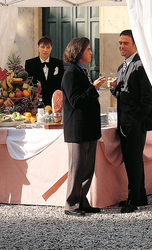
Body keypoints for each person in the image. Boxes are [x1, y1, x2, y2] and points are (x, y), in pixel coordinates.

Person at [109, 29, 152, 213]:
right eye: (120, 43)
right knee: (133, 159)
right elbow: (124, 95)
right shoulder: (122, 67)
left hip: (135, 123)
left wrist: (135, 120)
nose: (122, 46)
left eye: (126, 43)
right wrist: (114, 89)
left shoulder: (141, 65)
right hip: (124, 122)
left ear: (135, 45)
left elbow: (148, 98)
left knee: (133, 160)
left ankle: (132, 199)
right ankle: (140, 195)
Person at [61, 37, 106, 216]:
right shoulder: (71, 73)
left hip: (88, 129)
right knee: (77, 167)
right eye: (88, 49)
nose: (91, 52)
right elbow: (75, 101)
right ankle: (70, 204)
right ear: (79, 52)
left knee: (88, 169)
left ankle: (82, 200)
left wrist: (93, 88)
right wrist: (93, 88)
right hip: (78, 130)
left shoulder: (83, 72)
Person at [25, 36, 64, 107]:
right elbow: (28, 85)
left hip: (54, 102)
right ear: (38, 47)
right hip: (36, 103)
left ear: (51, 48)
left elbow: (61, 84)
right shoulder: (30, 64)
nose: (45, 50)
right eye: (42, 47)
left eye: (48, 47)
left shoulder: (58, 63)